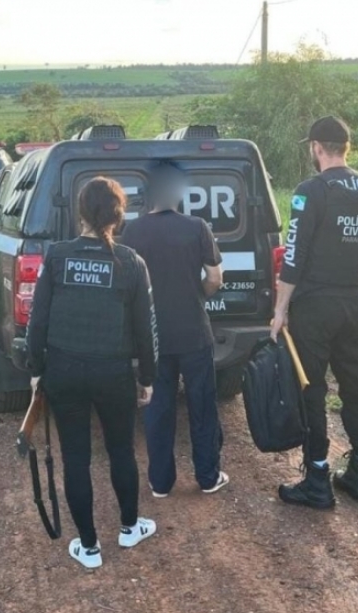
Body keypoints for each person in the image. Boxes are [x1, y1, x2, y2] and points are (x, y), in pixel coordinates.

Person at [26, 176, 159, 569]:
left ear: (80, 212)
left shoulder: (57, 256)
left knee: (76, 458)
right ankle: (129, 527)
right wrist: (147, 378)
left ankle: (88, 547)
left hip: (64, 371)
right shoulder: (132, 263)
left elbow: (38, 320)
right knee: (121, 450)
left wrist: (36, 369)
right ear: (118, 216)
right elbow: (145, 329)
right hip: (113, 374)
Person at [270, 115, 358, 509]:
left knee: (313, 390)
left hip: (314, 308)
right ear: (348, 148)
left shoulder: (310, 191)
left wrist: (279, 310)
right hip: (354, 304)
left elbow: (294, 256)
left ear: (317, 148)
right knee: (355, 390)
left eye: (312, 147)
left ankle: (318, 479)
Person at [121, 162, 229, 498]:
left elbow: (128, 288)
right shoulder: (197, 227)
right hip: (194, 331)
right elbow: (215, 278)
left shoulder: (132, 233)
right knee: (202, 405)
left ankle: (160, 483)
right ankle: (208, 477)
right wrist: (197, 295)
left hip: (153, 336)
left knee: (158, 407)